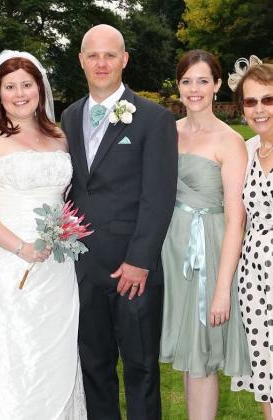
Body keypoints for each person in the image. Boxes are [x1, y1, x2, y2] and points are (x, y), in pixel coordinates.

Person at [0, 50, 87, 420]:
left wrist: (60, 234)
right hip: (4, 262)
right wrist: (21, 247)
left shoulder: (59, 136)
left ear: (40, 88)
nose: (19, 93)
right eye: (10, 87)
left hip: (56, 265)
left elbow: (66, 196)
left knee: (51, 352)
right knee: (5, 351)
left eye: (27, 84)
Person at [60, 24, 178, 419]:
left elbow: (158, 196)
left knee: (141, 369)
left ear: (124, 60)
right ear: (81, 61)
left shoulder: (153, 119)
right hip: (83, 268)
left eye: (110, 54)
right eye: (92, 55)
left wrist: (140, 260)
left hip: (134, 269)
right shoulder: (69, 116)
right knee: (94, 369)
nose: (101, 62)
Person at [159, 50, 250, 420]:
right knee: (187, 358)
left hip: (208, 251)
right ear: (178, 86)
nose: (194, 89)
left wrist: (221, 289)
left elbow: (235, 217)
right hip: (170, 249)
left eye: (202, 80)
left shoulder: (230, 141)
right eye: (186, 81)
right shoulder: (167, 131)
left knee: (201, 360)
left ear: (216, 86)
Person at [229, 57, 273, 420]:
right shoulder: (245, 152)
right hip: (253, 278)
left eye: (268, 99)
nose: (259, 109)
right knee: (265, 369)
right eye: (250, 101)